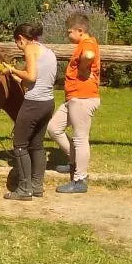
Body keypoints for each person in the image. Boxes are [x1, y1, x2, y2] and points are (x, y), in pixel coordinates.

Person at [0, 23, 57, 201]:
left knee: (19, 145)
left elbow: (31, 76)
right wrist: (15, 76)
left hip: (33, 104)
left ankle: (24, 189)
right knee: (37, 145)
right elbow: (35, 79)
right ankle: (37, 186)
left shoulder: (30, 49)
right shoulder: (47, 51)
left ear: (21, 38)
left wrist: (11, 69)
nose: (18, 46)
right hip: (48, 103)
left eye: (17, 43)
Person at [47, 13, 101, 193]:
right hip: (73, 98)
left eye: (69, 32)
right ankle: (74, 161)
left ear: (80, 31)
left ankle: (80, 179)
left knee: (80, 138)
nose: (68, 35)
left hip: (83, 98)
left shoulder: (87, 43)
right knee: (54, 127)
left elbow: (89, 54)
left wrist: (85, 64)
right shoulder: (81, 44)